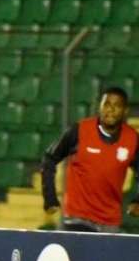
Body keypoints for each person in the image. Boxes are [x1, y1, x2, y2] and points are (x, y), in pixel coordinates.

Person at [41, 87, 139, 233]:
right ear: (99, 107)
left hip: (110, 222)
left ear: (125, 111)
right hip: (77, 218)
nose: (110, 110)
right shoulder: (80, 130)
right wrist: (50, 197)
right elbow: (49, 158)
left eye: (117, 105)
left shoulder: (132, 139)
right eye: (106, 104)